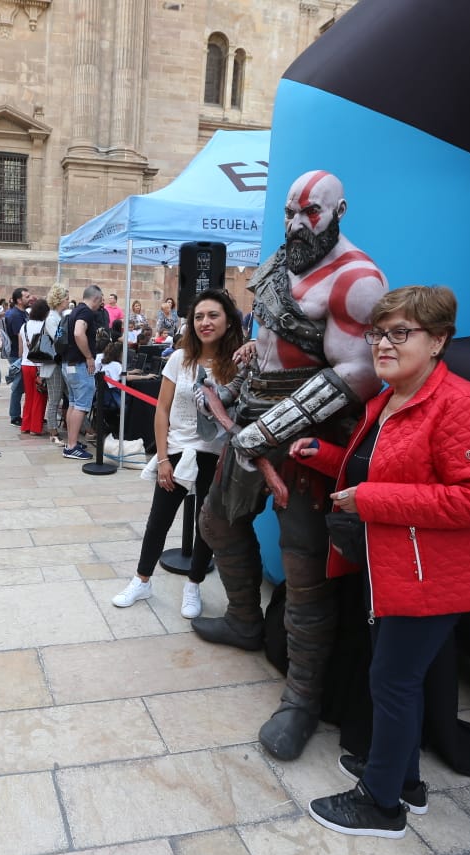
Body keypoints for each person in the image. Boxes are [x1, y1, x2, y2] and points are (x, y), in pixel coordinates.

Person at [300, 285, 470, 838]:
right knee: (397, 680)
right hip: (396, 566)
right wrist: (322, 456)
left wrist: (369, 500)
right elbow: (383, 473)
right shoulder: (390, 397)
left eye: (401, 332)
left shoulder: (463, 403)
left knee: (392, 682)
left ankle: (382, 803)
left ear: (439, 340)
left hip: (433, 574)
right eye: (378, 332)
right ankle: (403, 780)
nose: (384, 344)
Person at [193, 170, 388, 763]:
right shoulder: (286, 256)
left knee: (306, 572)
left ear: (338, 210)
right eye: (289, 212)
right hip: (255, 410)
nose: (297, 223)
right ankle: (247, 621)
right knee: (217, 522)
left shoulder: (358, 279)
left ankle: (302, 698)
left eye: (310, 212)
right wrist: (255, 349)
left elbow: (358, 372)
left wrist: (271, 429)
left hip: (311, 434)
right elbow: (279, 327)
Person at [112, 289, 247, 617]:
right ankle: (142, 580)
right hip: (176, 451)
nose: (205, 322)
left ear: (228, 321)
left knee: (207, 524)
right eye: (199, 316)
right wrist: (161, 458)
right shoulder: (179, 359)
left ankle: (194, 584)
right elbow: (162, 410)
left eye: (213, 315)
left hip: (215, 454)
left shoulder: (238, 364)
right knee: (158, 519)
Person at [61, 285, 105, 460]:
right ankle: (72, 446)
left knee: (73, 403)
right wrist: (89, 357)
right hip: (79, 365)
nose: (101, 304)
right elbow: (79, 333)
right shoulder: (86, 312)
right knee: (80, 405)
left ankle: (71, 442)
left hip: (68, 364)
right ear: (95, 298)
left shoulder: (75, 310)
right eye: (101, 300)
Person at [18, 298, 52, 435]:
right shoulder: (45, 326)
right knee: (40, 396)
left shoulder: (24, 326)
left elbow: (20, 351)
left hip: (26, 364)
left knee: (29, 396)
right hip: (40, 366)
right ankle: (35, 427)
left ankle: (25, 425)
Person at [43, 285, 70, 443]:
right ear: (59, 300)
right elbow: (58, 340)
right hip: (53, 364)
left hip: (59, 364)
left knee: (67, 396)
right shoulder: (52, 318)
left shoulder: (58, 316)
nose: (68, 301)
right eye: (66, 299)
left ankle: (86, 428)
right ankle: (53, 431)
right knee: (54, 399)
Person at [4, 288, 30, 426]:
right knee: (19, 385)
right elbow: (20, 335)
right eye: (26, 296)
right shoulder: (15, 315)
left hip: (21, 354)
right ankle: (14, 415)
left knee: (23, 385)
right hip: (17, 354)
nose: (29, 298)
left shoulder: (22, 313)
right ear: (19, 300)